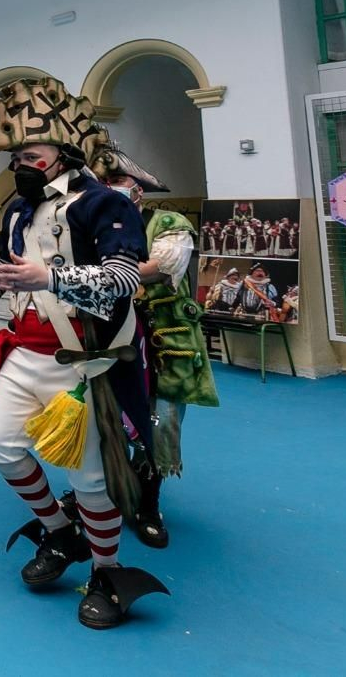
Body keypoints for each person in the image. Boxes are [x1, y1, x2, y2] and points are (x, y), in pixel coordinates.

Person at [0, 77, 167, 630]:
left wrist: (51, 276)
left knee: (91, 479)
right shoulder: (20, 211)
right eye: (16, 155)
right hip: (23, 352)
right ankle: (59, 531)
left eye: (30, 153)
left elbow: (121, 279)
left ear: (64, 153)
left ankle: (105, 570)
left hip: (84, 362)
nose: (20, 163)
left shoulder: (106, 203)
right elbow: (3, 268)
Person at [92, 144, 219, 549]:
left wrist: (92, 275)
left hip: (165, 347)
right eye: (101, 183)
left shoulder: (169, 223)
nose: (108, 189)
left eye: (116, 182)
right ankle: (103, 493)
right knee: (100, 418)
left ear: (138, 190)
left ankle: (148, 504)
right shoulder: (89, 228)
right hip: (110, 341)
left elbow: (161, 267)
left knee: (159, 426)